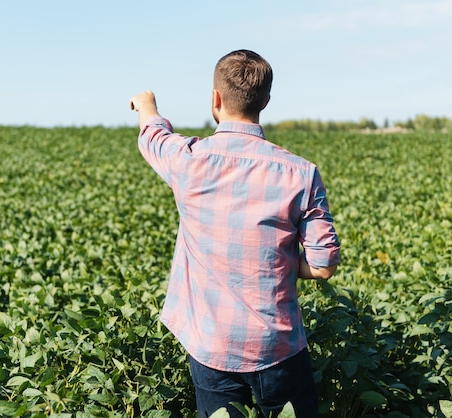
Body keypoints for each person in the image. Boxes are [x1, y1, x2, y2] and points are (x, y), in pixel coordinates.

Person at [129, 49, 340, 418]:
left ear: (215, 99)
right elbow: (323, 266)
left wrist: (146, 104)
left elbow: (153, 135)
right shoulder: (301, 173)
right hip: (279, 348)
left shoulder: (188, 160)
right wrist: (284, 261)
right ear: (266, 102)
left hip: (212, 346)